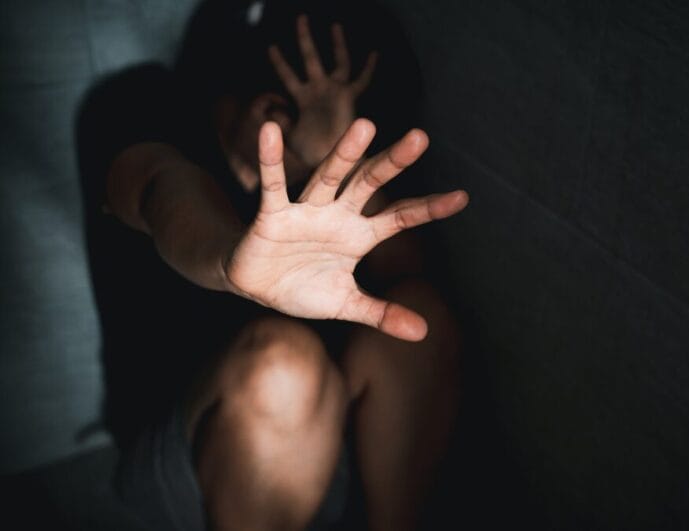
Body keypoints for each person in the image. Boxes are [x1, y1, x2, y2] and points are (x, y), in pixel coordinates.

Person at [76, 1, 466, 529]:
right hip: (192, 452)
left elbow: (410, 290)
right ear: (270, 111)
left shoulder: (335, 175)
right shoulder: (144, 104)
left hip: (333, 448)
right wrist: (225, 257)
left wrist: (333, 159)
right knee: (284, 365)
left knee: (417, 318)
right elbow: (156, 190)